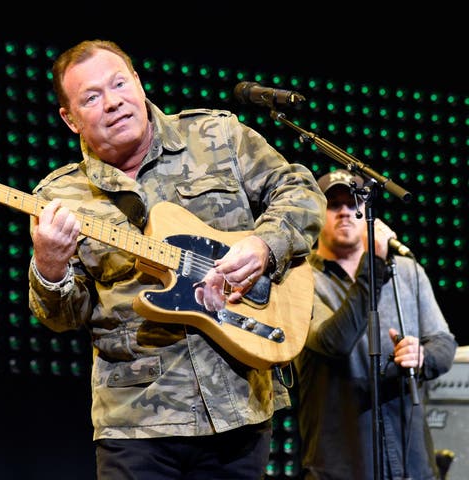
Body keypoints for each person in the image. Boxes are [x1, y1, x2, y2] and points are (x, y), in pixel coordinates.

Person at [27, 39, 326, 479]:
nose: (113, 102)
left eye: (119, 83)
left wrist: (265, 245)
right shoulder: (57, 197)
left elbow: (300, 191)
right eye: (92, 98)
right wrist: (49, 268)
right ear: (70, 119)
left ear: (139, 83)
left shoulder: (217, 136)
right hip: (135, 423)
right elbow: (65, 317)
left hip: (238, 405)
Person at [293, 169, 458, 480]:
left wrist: (421, 355)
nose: (344, 212)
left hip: (412, 463)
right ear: (317, 214)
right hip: (342, 465)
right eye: (333, 204)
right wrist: (373, 268)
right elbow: (333, 342)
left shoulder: (408, 272)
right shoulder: (300, 279)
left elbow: (444, 343)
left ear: (367, 213)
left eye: (353, 203)